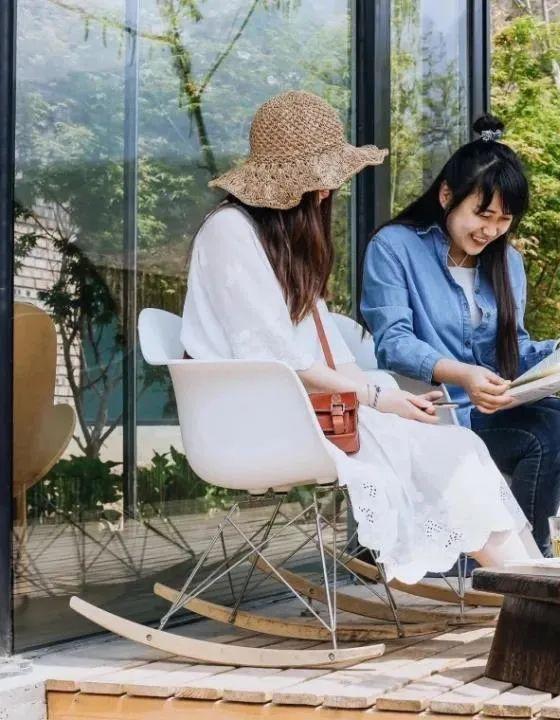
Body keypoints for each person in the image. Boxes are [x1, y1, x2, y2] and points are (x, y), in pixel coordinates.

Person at [180, 90, 541, 587]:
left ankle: (535, 584)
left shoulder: (281, 246)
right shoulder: (230, 234)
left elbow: (331, 350)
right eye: (320, 184)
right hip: (259, 416)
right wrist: (375, 398)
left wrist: (388, 399)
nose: (328, 195)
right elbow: (273, 360)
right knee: (447, 453)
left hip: (310, 409)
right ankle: (535, 590)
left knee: (453, 444)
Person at [361, 115, 560, 631]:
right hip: (439, 415)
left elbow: (510, 348)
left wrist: (555, 353)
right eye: (482, 213)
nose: (490, 230)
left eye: (503, 219)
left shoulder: (505, 261)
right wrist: (464, 374)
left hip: (498, 405)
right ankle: (533, 580)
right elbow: (393, 341)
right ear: (448, 195)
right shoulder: (394, 247)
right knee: (554, 436)